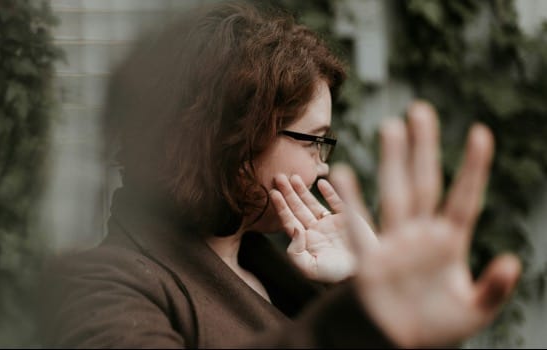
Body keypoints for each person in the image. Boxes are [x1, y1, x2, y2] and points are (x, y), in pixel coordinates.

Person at [40, 1, 522, 348]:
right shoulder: (102, 289)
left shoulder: (286, 274)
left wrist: (360, 286)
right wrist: (363, 316)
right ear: (233, 137)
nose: (325, 162)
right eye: (314, 139)